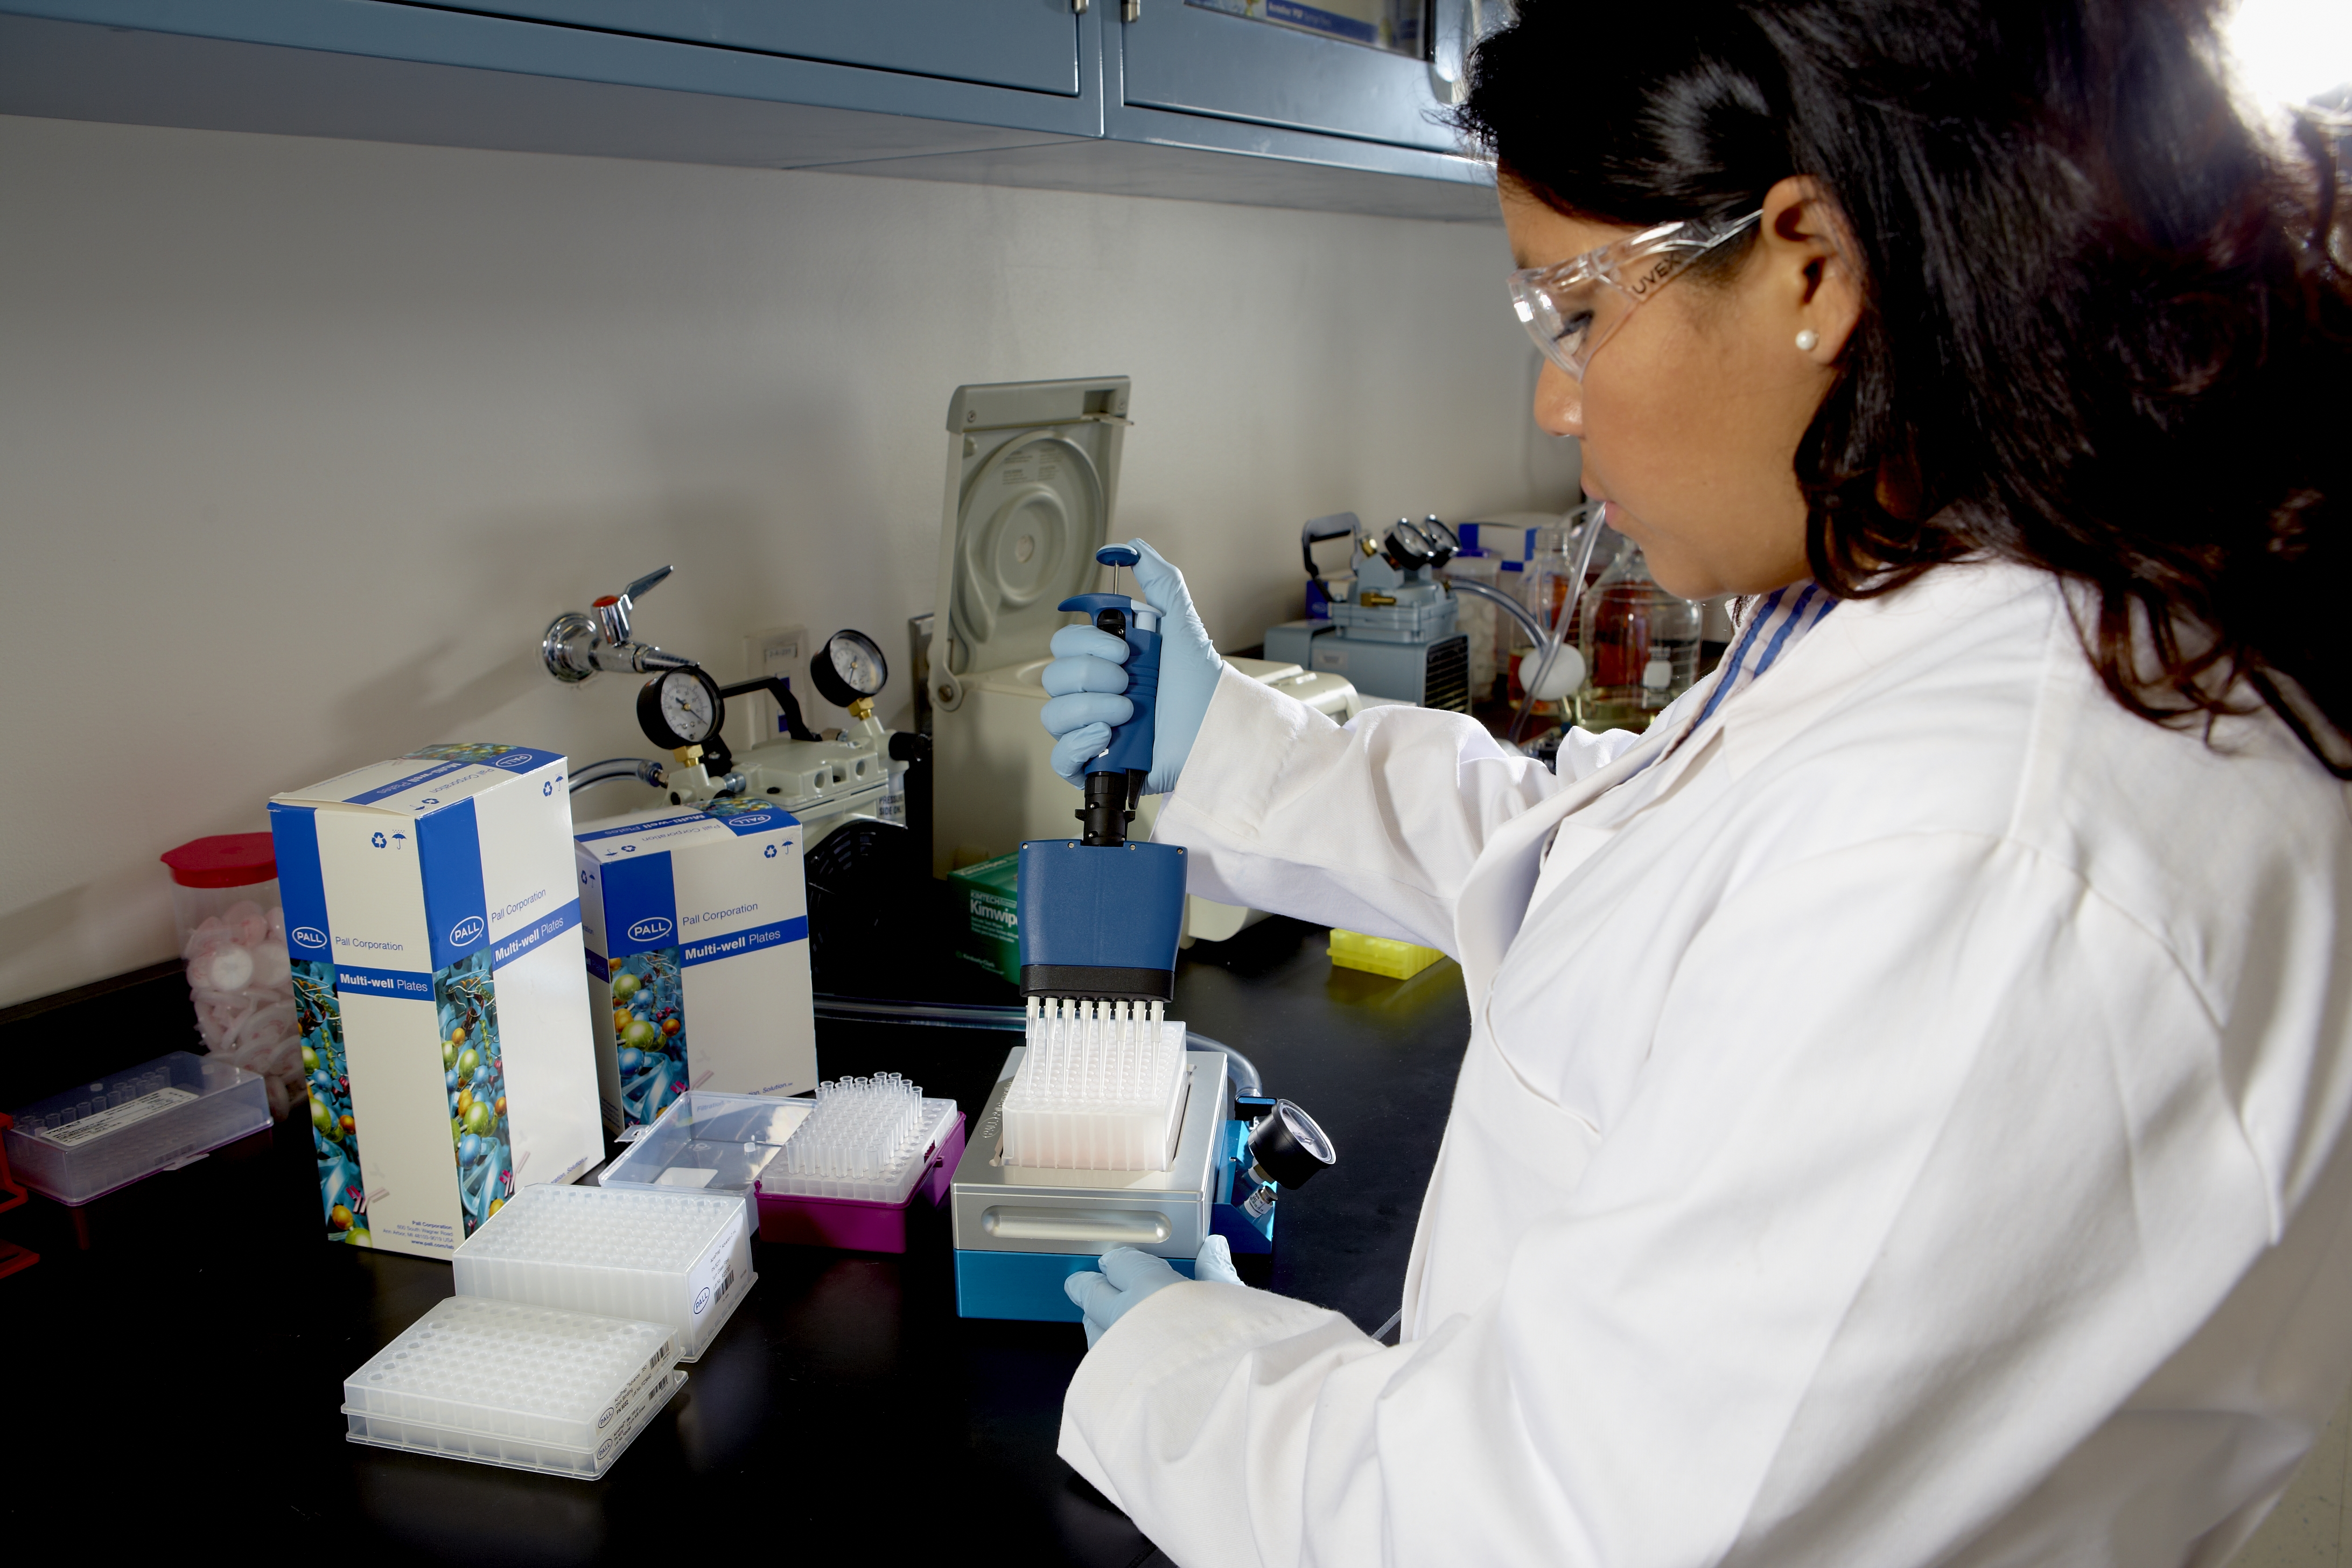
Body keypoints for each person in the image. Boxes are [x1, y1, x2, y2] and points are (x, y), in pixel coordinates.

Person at [1033, 1, 2352, 1563]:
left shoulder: (1997, 855)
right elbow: (1631, 865)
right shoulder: (1938, 599)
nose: (1557, 400)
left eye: (1576, 314)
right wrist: (1238, 746)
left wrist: (1190, 1380)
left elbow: (1551, 1531)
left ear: (1814, 263)